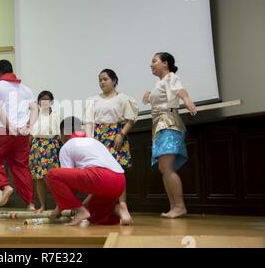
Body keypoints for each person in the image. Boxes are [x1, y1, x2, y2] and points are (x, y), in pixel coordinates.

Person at [142, 52, 197, 219]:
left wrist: (188, 100)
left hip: (168, 124)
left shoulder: (171, 77)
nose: (151, 65)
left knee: (166, 168)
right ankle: (174, 206)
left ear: (165, 63)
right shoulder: (158, 83)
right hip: (159, 126)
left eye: (154, 61)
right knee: (163, 168)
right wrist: (148, 95)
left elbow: (180, 90)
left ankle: (180, 206)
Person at [47, 117, 129, 226]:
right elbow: (96, 180)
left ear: (63, 132)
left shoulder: (67, 146)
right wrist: (83, 205)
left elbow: (69, 186)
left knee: (52, 175)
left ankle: (81, 212)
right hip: (119, 182)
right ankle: (119, 209)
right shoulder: (94, 141)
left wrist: (59, 209)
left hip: (102, 178)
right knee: (94, 215)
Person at [85, 68, 138, 224]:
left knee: (118, 172)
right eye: (100, 80)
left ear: (114, 81)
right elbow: (89, 123)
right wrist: (90, 142)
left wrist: (121, 134)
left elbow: (131, 119)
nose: (102, 82)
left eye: (105, 79)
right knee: (100, 174)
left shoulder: (123, 98)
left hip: (116, 136)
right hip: (98, 138)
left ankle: (123, 206)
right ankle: (102, 209)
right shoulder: (92, 100)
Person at [0, 59, 39, 211]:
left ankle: (4, 187)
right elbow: (35, 109)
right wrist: (29, 126)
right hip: (22, 133)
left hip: (3, 130)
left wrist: (9, 126)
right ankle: (30, 203)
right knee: (21, 167)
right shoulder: (26, 89)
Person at [29, 90, 61, 213]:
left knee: (50, 177)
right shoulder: (34, 115)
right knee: (39, 178)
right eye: (42, 99)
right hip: (36, 146)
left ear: (51, 101)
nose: (44, 101)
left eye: (47, 99)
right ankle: (42, 205)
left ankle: (60, 204)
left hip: (50, 146)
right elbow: (31, 134)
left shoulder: (56, 115)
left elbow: (58, 135)